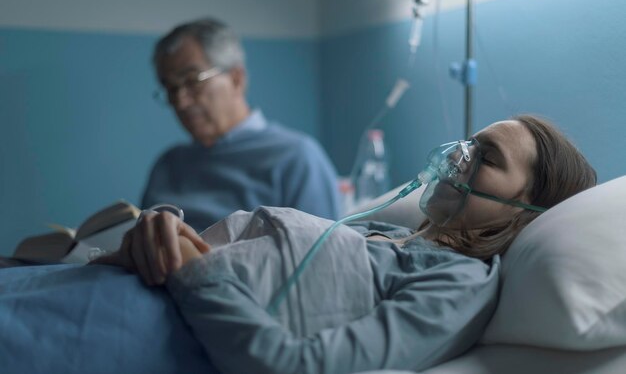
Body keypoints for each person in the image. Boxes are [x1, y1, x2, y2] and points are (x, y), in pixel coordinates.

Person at [96, 115, 596, 373]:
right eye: (468, 141)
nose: (457, 155)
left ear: (524, 210)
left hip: (140, 335)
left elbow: (299, 367)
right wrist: (160, 234)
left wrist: (190, 270)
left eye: (485, 155)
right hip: (120, 285)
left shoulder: (459, 280)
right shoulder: (387, 237)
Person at [142, 18, 341, 230]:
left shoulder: (297, 158)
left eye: (192, 81)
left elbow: (323, 255)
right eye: (171, 89)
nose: (180, 102)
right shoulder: (168, 165)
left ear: (236, 79)